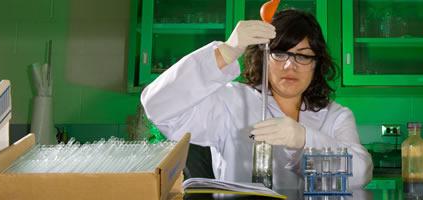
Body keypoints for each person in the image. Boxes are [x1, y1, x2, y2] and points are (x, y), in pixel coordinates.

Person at [141, 9, 372, 190]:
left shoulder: (335, 116)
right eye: (280, 53)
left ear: (316, 64)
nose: (290, 65)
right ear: (264, 58)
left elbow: (360, 174)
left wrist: (304, 138)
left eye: (302, 55)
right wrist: (225, 53)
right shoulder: (233, 102)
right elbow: (158, 106)